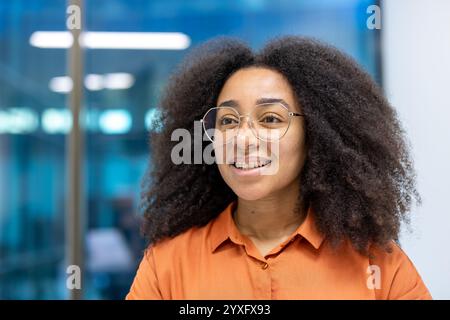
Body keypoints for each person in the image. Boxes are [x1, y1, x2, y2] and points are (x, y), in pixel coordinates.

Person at [126, 36, 432, 299]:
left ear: (317, 135)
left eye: (271, 119)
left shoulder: (376, 262)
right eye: (228, 121)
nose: (243, 138)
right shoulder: (168, 263)